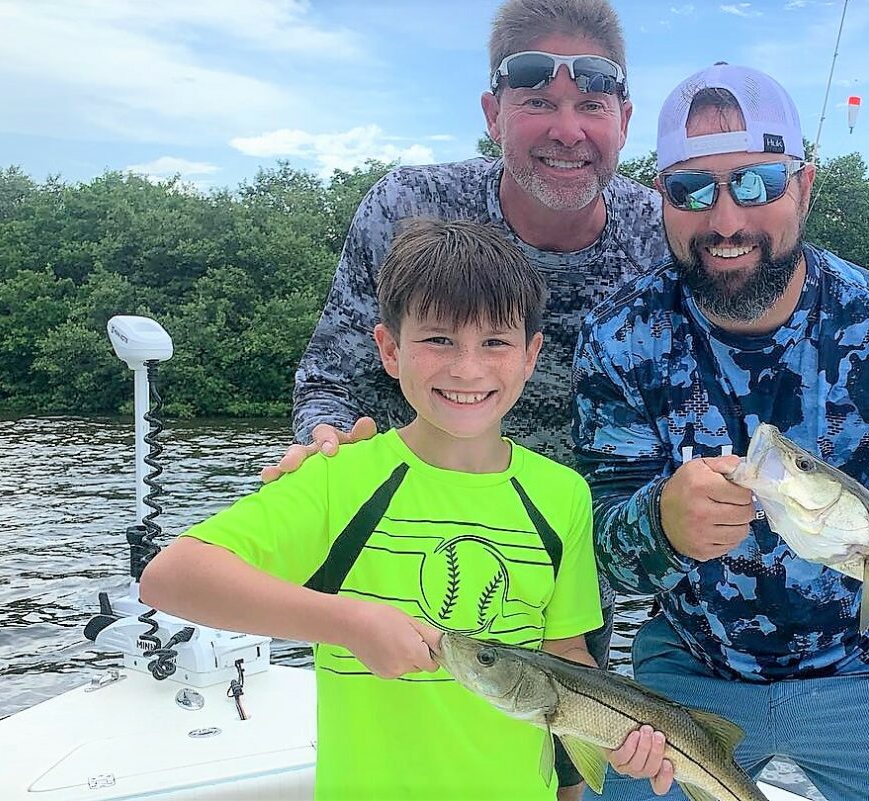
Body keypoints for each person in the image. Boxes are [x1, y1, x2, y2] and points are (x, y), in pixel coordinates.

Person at [571, 64, 869, 801]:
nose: (726, 220)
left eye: (759, 183)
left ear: (805, 186)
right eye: (691, 190)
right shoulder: (619, 338)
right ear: (661, 200)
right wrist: (661, 524)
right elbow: (601, 553)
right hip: (692, 671)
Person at [272, 1, 667, 792]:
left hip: (562, 554)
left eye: (592, 104)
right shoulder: (406, 208)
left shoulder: (661, 234)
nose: (567, 129)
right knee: (396, 743)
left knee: (560, 762)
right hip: (402, 545)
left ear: (623, 118)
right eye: (537, 102)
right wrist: (324, 440)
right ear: (493, 113)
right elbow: (331, 372)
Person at [141, 220, 671, 801]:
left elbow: (564, 655)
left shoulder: (563, 493)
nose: (467, 369)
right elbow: (171, 577)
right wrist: (348, 623)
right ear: (389, 350)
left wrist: (620, 733)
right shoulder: (337, 476)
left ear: (530, 356)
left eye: (495, 342)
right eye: (438, 339)